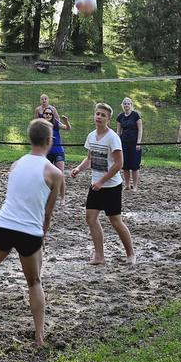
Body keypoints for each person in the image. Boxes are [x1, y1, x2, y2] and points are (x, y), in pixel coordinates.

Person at [0, 118, 64, 346]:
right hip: (29, 231)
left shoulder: (15, 164)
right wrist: (42, 236)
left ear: (29, 139)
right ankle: (39, 335)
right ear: (49, 140)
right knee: (34, 282)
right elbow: (48, 213)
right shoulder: (55, 173)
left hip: (5, 225)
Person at [71, 103, 136, 265]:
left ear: (108, 119)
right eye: (97, 114)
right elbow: (89, 158)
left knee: (115, 221)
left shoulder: (113, 137)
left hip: (111, 186)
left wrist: (102, 181)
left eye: (103, 115)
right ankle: (99, 256)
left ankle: (131, 254)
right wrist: (79, 168)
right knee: (90, 218)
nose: (99, 117)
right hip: (96, 185)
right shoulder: (91, 136)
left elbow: (119, 163)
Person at [116, 97, 143, 191]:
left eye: (128, 103)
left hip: (134, 144)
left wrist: (138, 142)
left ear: (131, 105)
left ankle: (135, 186)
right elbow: (118, 132)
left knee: (135, 166)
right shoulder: (120, 116)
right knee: (125, 165)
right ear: (122, 105)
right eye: (125, 103)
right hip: (123, 143)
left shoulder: (136, 115)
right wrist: (117, 144)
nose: (126, 105)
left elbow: (140, 130)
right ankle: (127, 185)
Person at [40, 106, 70, 174]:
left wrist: (66, 121)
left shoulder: (55, 123)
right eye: (46, 113)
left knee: (60, 174)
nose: (48, 115)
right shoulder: (41, 125)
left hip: (58, 152)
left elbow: (67, 128)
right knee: (46, 175)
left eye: (50, 114)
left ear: (52, 115)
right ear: (43, 114)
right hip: (47, 153)